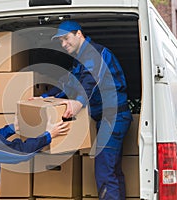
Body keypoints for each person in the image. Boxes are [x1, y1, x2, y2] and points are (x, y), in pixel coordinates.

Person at [39, 20, 132, 199]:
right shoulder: (81, 59)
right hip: (108, 119)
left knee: (104, 171)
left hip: (113, 117)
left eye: (66, 38)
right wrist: (45, 97)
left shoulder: (95, 53)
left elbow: (91, 81)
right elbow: (69, 81)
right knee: (112, 171)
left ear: (79, 34)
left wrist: (78, 102)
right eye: (60, 41)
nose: (64, 44)